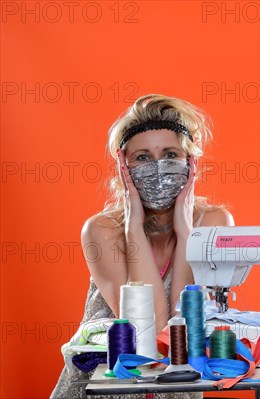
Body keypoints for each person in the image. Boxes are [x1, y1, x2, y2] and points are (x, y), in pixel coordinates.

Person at [50, 94, 234, 399]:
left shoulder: (213, 222)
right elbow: (151, 330)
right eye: (143, 158)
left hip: (177, 387)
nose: (158, 168)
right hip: (104, 386)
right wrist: (133, 227)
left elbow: (181, 329)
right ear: (124, 165)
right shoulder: (102, 230)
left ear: (191, 163)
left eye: (171, 155)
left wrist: (185, 230)